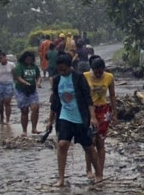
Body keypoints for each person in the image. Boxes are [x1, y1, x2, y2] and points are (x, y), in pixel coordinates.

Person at [46, 53, 98, 188]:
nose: (62, 72)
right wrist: (50, 121)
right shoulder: (57, 80)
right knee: (62, 144)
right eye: (59, 70)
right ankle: (61, 178)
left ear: (70, 67)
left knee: (89, 148)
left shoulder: (79, 78)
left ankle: (99, 174)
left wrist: (92, 117)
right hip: (64, 117)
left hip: (80, 118)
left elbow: (88, 98)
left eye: (64, 69)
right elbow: (55, 102)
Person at [84, 54, 117, 183]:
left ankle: (100, 172)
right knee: (90, 142)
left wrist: (115, 113)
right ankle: (89, 169)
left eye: (100, 71)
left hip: (103, 110)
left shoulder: (109, 77)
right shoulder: (85, 76)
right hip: (89, 111)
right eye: (96, 71)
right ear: (92, 69)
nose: (98, 74)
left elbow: (112, 95)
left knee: (100, 142)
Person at [14, 50, 41, 135]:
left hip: (32, 90)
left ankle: (34, 128)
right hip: (21, 90)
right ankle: (24, 130)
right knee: (24, 110)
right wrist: (25, 83)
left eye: (31, 59)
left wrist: (38, 82)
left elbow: (38, 76)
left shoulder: (34, 67)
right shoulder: (19, 67)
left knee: (35, 108)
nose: (29, 61)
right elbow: (18, 78)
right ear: (24, 59)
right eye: (27, 59)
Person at [0, 50, 15, 125]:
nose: (1, 60)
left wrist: (16, 85)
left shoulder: (11, 65)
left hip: (9, 84)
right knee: (0, 103)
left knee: (7, 102)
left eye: (2, 58)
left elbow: (15, 75)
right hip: (0, 84)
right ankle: (2, 117)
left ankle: (8, 119)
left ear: (5, 57)